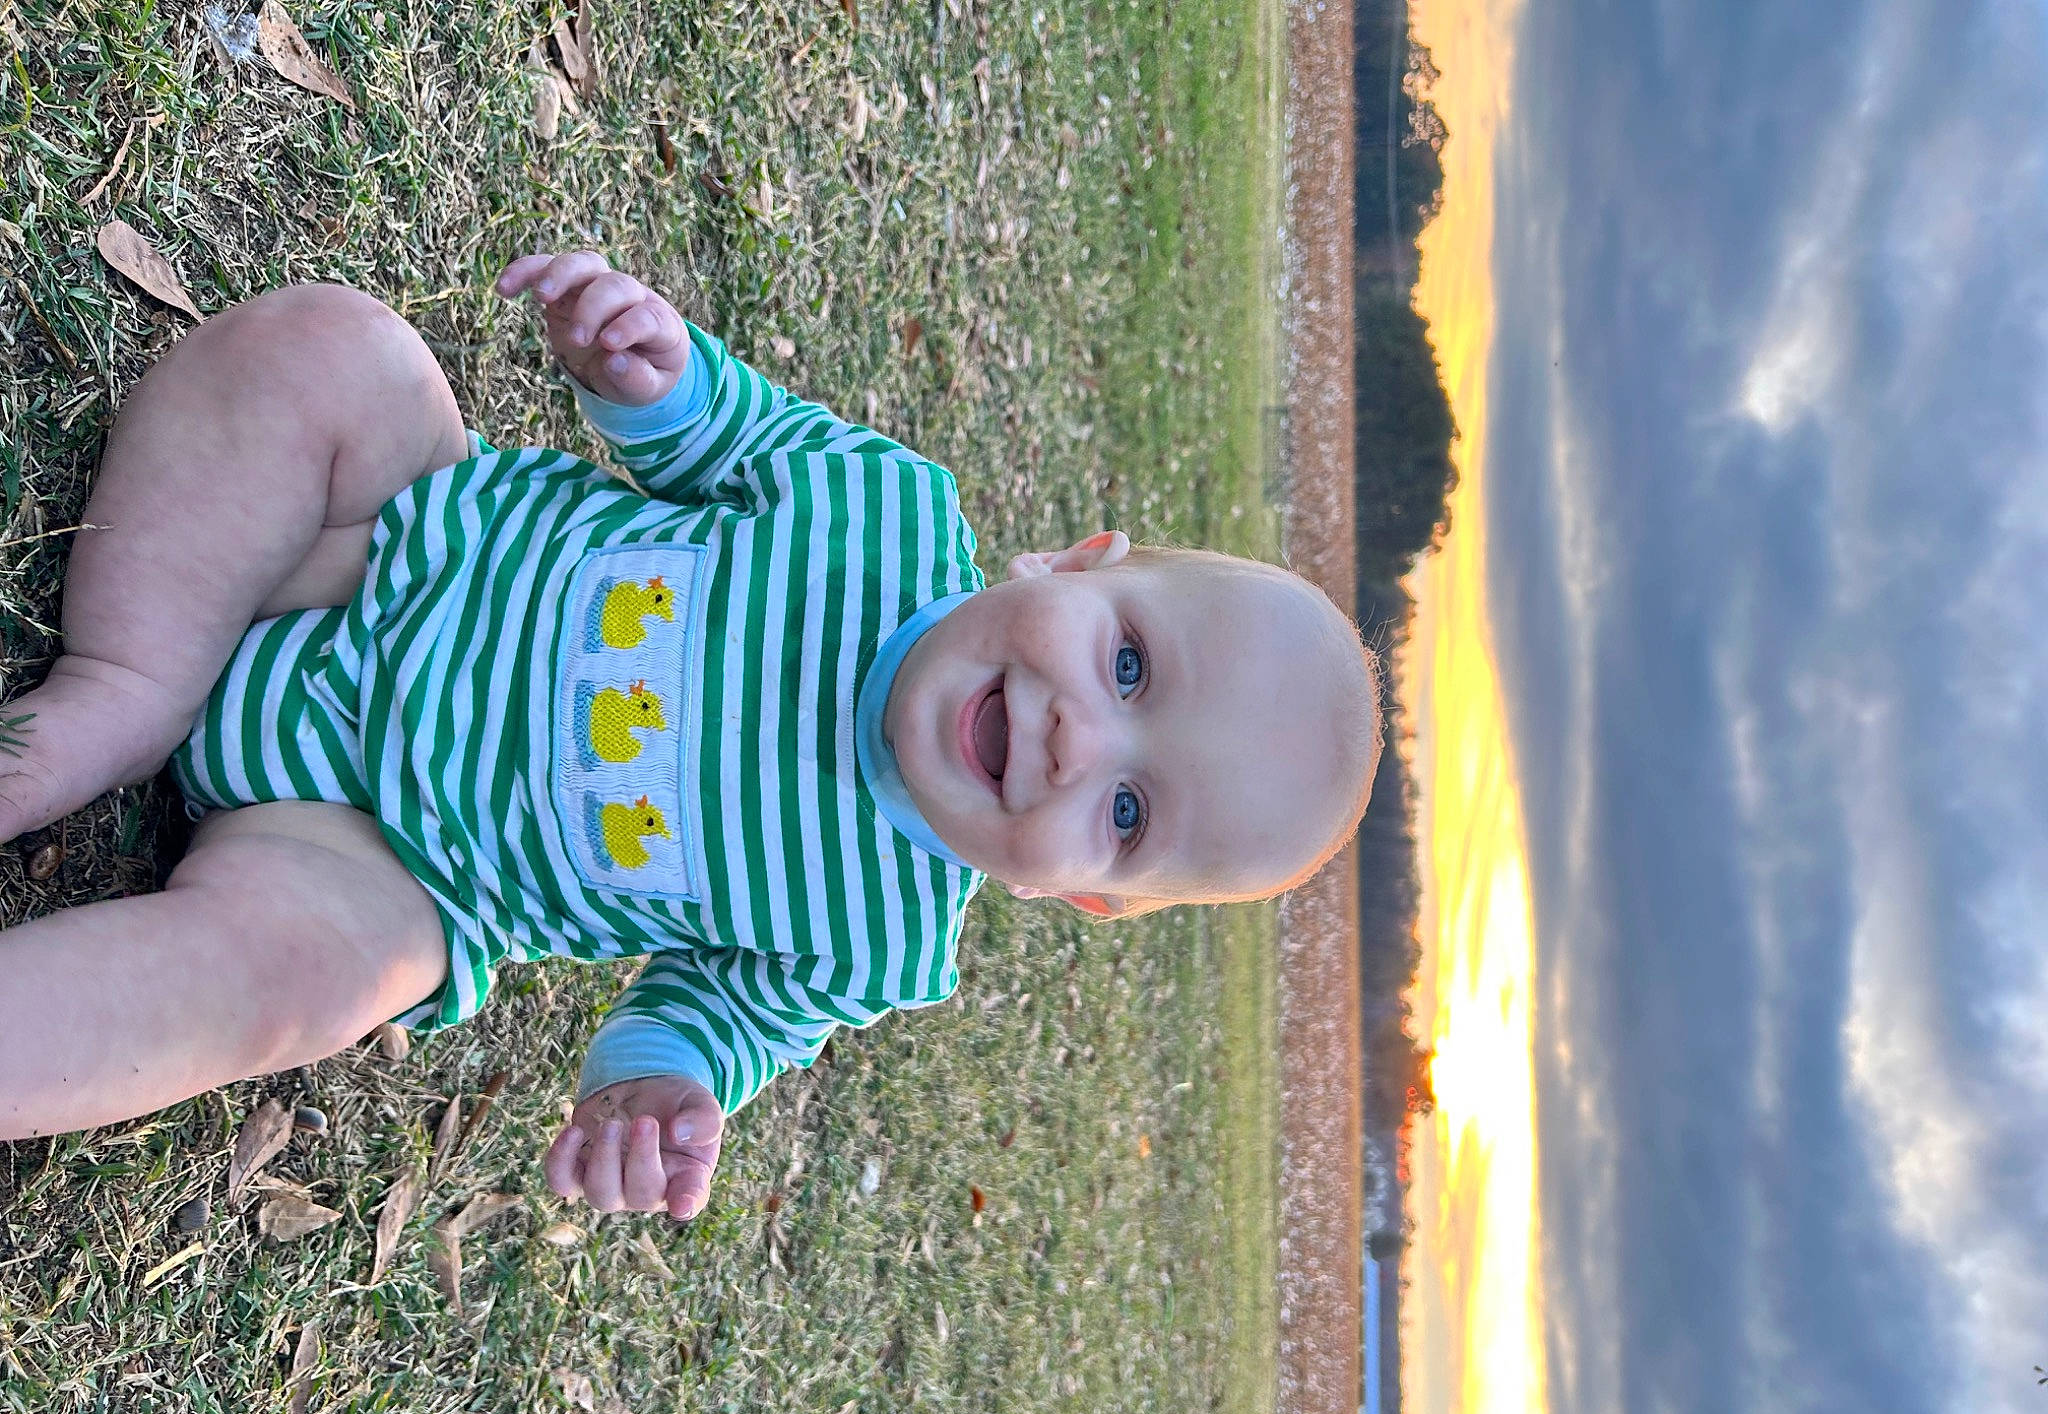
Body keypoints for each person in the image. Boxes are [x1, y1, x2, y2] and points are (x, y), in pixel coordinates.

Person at [0, 253, 1381, 1221]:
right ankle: (124, 690)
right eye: (1129, 663)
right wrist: (644, 368)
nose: (1082, 743)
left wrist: (652, 1094)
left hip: (375, 859)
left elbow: (710, 1018)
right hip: (377, 554)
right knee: (341, 355)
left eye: (1129, 815)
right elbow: (721, 431)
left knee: (311, 987)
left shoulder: (878, 938)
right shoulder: (885, 512)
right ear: (1073, 563)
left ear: (1079, 895)